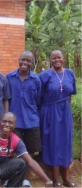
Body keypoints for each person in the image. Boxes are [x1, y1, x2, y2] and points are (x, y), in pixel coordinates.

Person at [39, 50, 77, 187]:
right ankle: (56, 179)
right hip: (49, 112)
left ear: (64, 58)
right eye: (53, 58)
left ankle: (66, 178)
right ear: (50, 60)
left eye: (59, 57)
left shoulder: (70, 73)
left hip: (65, 111)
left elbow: (70, 94)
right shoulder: (44, 75)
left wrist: (64, 109)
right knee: (52, 143)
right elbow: (39, 97)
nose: (56, 60)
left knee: (66, 142)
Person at [6, 50, 42, 187]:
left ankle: (25, 179)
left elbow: (38, 100)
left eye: (28, 61)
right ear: (19, 60)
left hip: (32, 120)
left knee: (30, 151)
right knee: (13, 151)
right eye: (23, 60)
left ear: (32, 63)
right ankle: (13, 178)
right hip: (14, 122)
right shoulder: (9, 77)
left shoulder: (36, 80)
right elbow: (6, 98)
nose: (25, 63)